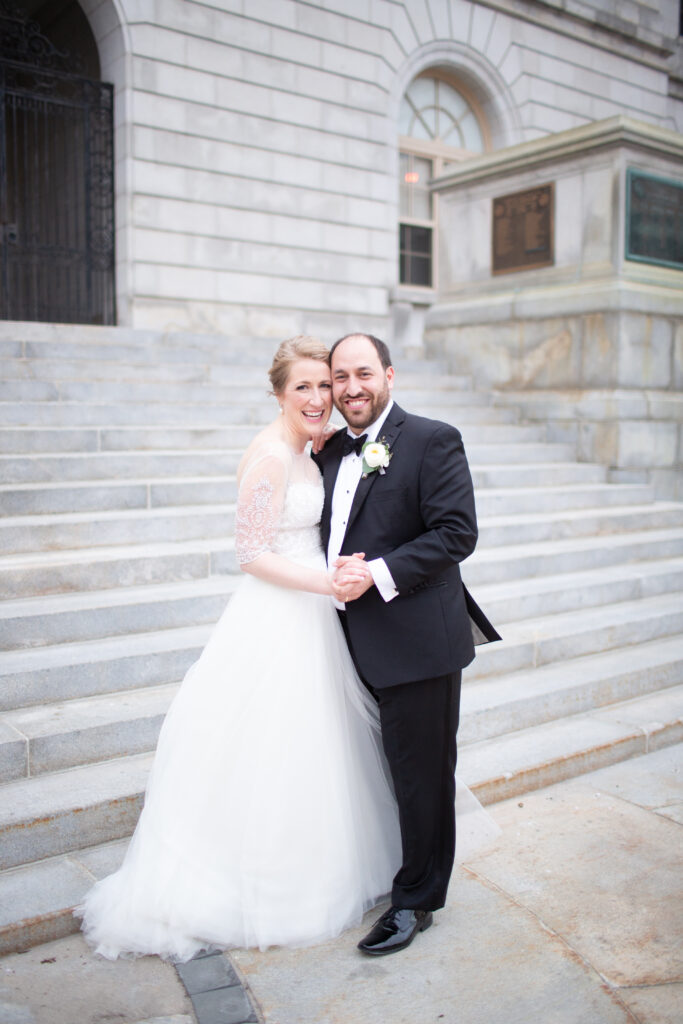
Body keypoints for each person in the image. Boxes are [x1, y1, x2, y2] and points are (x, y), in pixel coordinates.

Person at [76, 336, 403, 960]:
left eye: (323, 386)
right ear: (280, 393)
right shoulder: (271, 458)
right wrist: (326, 582)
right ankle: (264, 885)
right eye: (301, 387)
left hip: (312, 610)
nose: (317, 398)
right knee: (274, 747)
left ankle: (316, 862)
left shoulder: (312, 448)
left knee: (317, 747)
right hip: (281, 614)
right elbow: (251, 554)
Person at [313, 332, 501, 957]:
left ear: (390, 376)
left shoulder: (431, 439)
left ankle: (417, 901)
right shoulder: (331, 450)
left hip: (418, 639)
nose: (351, 388)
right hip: (343, 642)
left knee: (422, 776)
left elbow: (456, 533)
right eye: (340, 378)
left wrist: (377, 572)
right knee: (377, 772)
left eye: (363, 373)